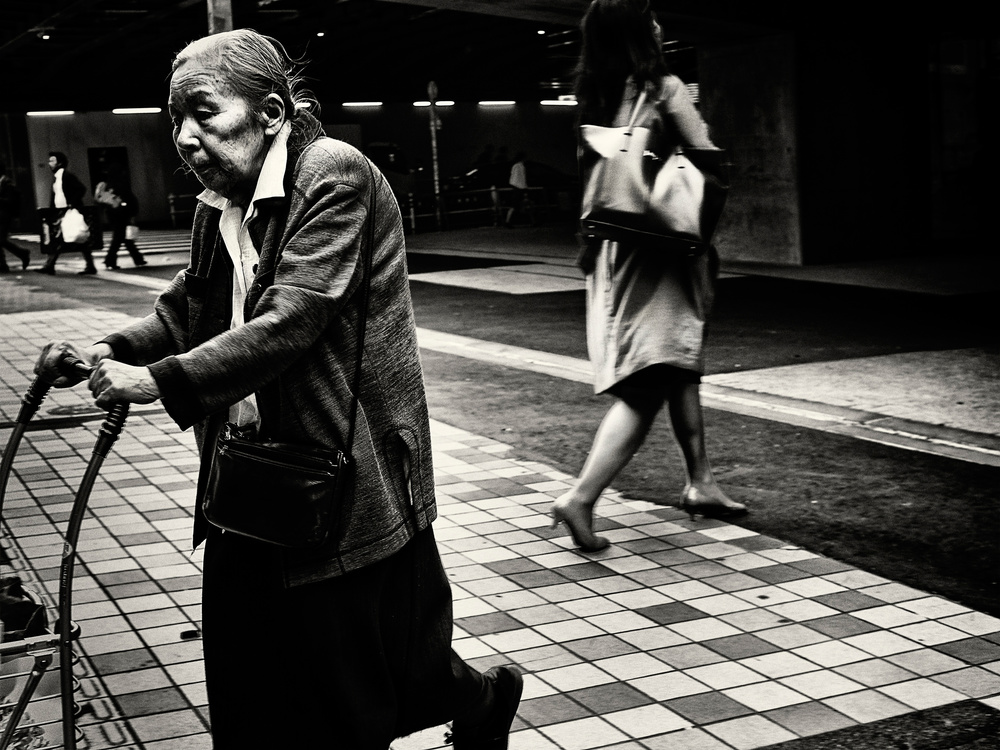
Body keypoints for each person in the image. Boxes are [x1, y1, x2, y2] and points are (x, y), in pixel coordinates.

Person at [34, 30, 521, 750]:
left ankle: (481, 703)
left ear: (269, 112)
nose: (185, 137)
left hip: (344, 475)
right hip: (247, 477)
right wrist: (110, 348)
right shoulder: (216, 204)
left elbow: (291, 318)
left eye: (203, 112)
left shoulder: (333, 176)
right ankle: (472, 703)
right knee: (252, 678)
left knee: (364, 689)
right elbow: (185, 307)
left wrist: (157, 383)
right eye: (175, 120)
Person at [550, 0, 746, 552]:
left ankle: (701, 481)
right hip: (661, 248)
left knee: (677, 363)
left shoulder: (596, 93)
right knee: (648, 381)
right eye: (651, 17)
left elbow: (599, 179)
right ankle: (581, 497)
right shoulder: (662, 87)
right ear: (639, 31)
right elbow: (707, 156)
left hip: (618, 244)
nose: (661, 24)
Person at [36, 151, 98, 275]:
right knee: (61, 239)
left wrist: (72, 204)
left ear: (60, 163)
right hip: (61, 212)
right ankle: (51, 265)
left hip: (69, 212)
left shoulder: (67, 176)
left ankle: (50, 265)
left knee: (72, 238)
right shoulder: (57, 177)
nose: (49, 164)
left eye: (52, 161)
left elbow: (81, 189)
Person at [95, 171, 146, 269]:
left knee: (122, 238)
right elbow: (131, 200)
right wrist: (132, 214)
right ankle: (111, 260)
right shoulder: (122, 186)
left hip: (113, 215)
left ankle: (136, 259)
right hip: (123, 215)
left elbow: (103, 201)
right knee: (120, 239)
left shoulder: (108, 187)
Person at [0, 164, 31, 272]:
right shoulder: (2, 181)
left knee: (1, 239)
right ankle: (3, 264)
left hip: (4, 216)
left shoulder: (7, 183)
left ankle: (22, 253)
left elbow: (10, 201)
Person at [503, 151, 535, 227]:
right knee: (527, 204)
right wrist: (525, 187)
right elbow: (521, 179)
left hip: (516, 188)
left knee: (515, 206)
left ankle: (508, 222)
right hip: (520, 188)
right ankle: (533, 221)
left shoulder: (515, 166)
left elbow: (513, 178)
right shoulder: (519, 166)